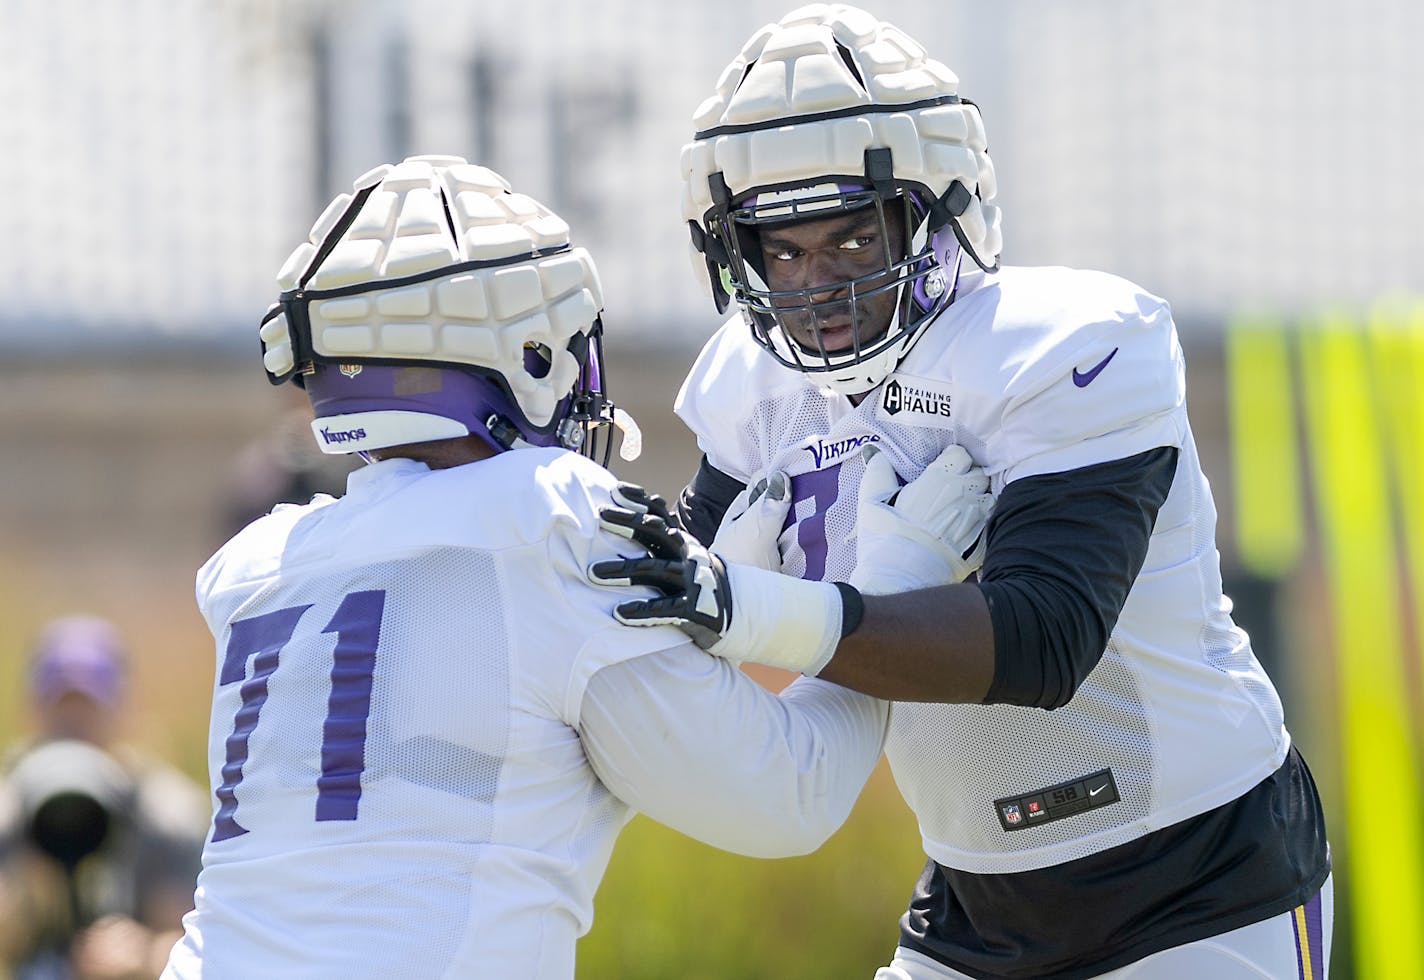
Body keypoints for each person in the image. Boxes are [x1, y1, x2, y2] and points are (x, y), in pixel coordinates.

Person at [589, 6, 1333, 978]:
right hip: (973, 892)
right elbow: (686, 618)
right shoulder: (752, 384)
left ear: (937, 213)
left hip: (1192, 876)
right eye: (783, 248)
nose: (817, 286)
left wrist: (752, 605)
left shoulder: (1062, 346)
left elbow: (1042, 637)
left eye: (853, 239)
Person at [159, 154, 993, 979]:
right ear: (530, 352)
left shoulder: (257, 564)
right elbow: (789, 793)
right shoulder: (548, 515)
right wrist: (892, 588)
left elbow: (488, 710)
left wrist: (718, 609)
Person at [0, 615, 208, 980]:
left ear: (122, 712)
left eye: (88, 709)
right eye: (62, 708)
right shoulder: (9, 808)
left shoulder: (165, 814)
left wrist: (142, 954)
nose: (74, 723)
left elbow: (205, 941)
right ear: (33, 711)